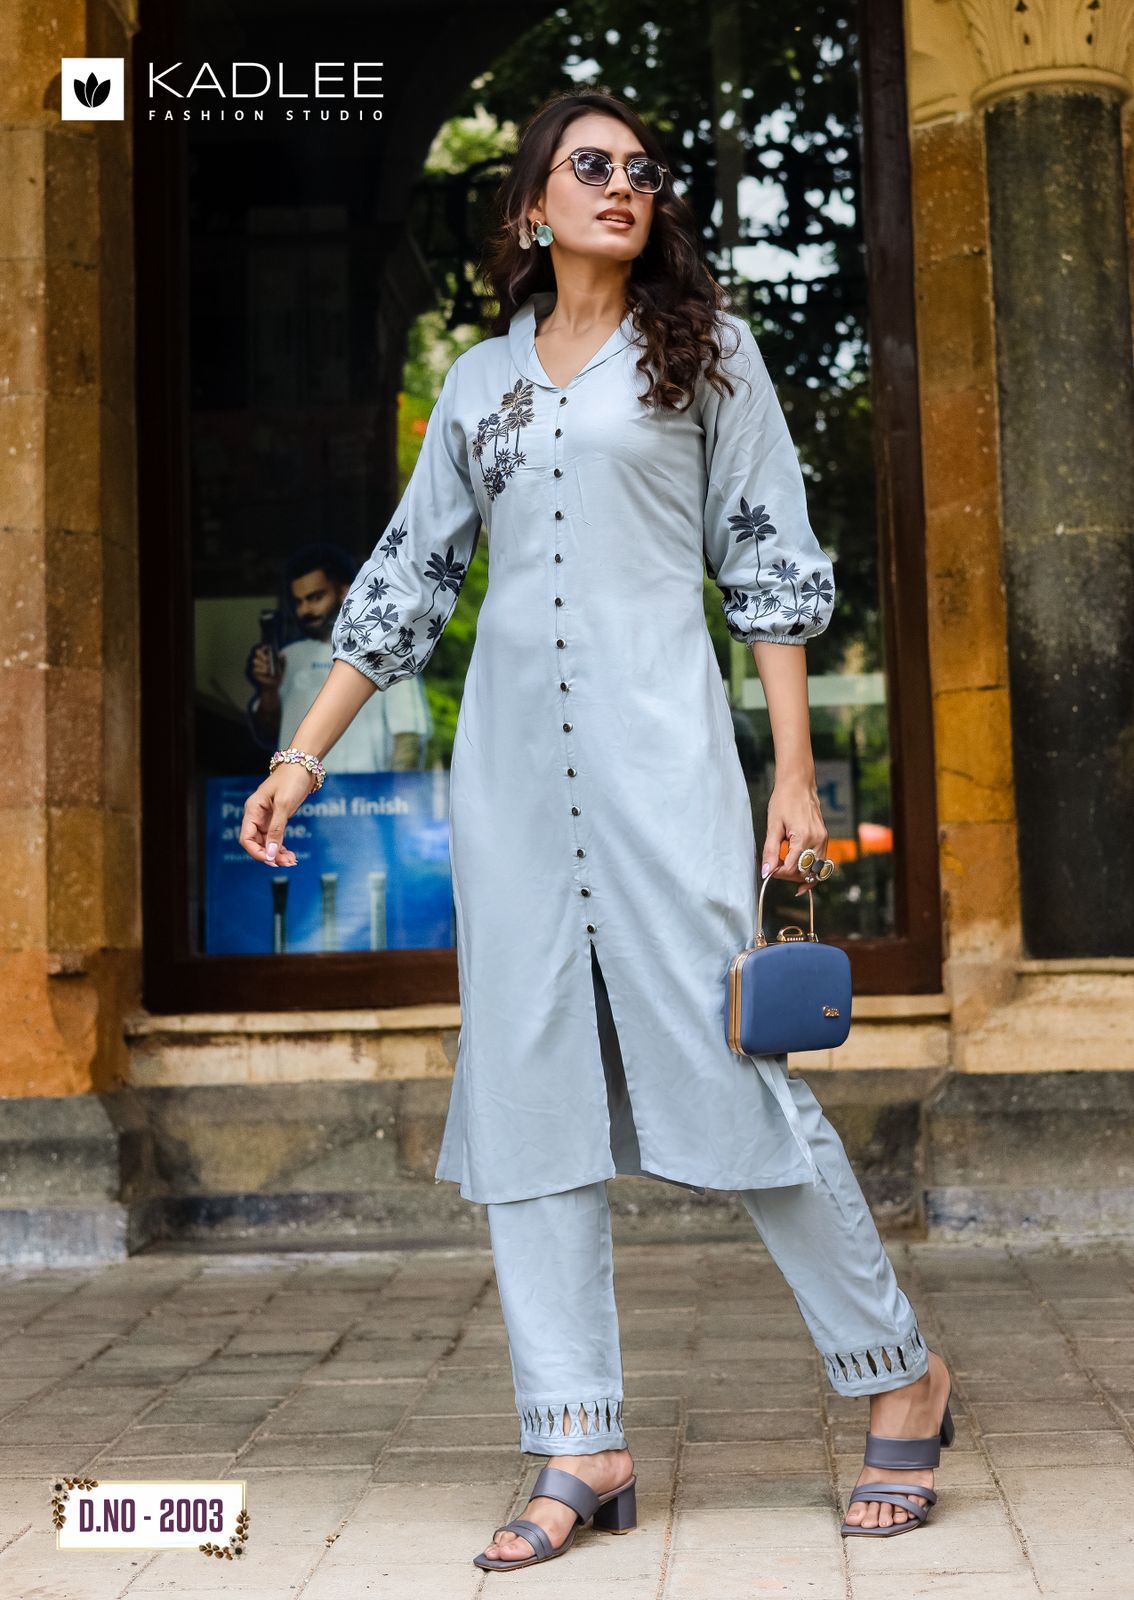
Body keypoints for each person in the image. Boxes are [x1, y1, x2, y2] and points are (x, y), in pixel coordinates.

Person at [238, 89, 954, 1571]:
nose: (624, 184)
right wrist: (302, 757)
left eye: (641, 167)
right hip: (509, 780)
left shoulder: (707, 353)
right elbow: (405, 581)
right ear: (531, 207)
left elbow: (767, 561)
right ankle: (580, 1438)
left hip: (660, 760)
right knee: (527, 1096)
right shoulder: (477, 382)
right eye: (590, 165)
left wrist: (793, 774)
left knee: (733, 1074)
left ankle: (899, 1373)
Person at [246, 541, 433, 771]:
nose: (304, 610)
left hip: (366, 792)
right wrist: (269, 690)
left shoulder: (387, 652)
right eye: (298, 602)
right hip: (299, 793)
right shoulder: (288, 658)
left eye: (315, 597)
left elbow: (408, 736)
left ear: (345, 593)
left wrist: (395, 790)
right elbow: (266, 734)